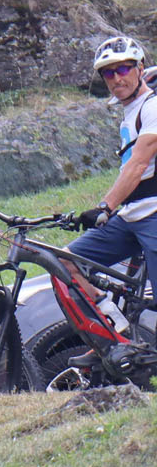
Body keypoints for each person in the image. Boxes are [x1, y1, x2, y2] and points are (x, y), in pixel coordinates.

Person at [62, 36, 157, 309]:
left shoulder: (152, 107)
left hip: (154, 214)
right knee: (65, 261)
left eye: (124, 69)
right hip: (130, 216)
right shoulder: (129, 113)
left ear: (140, 68)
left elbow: (138, 166)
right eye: (108, 73)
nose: (117, 78)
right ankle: (113, 325)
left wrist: (104, 207)